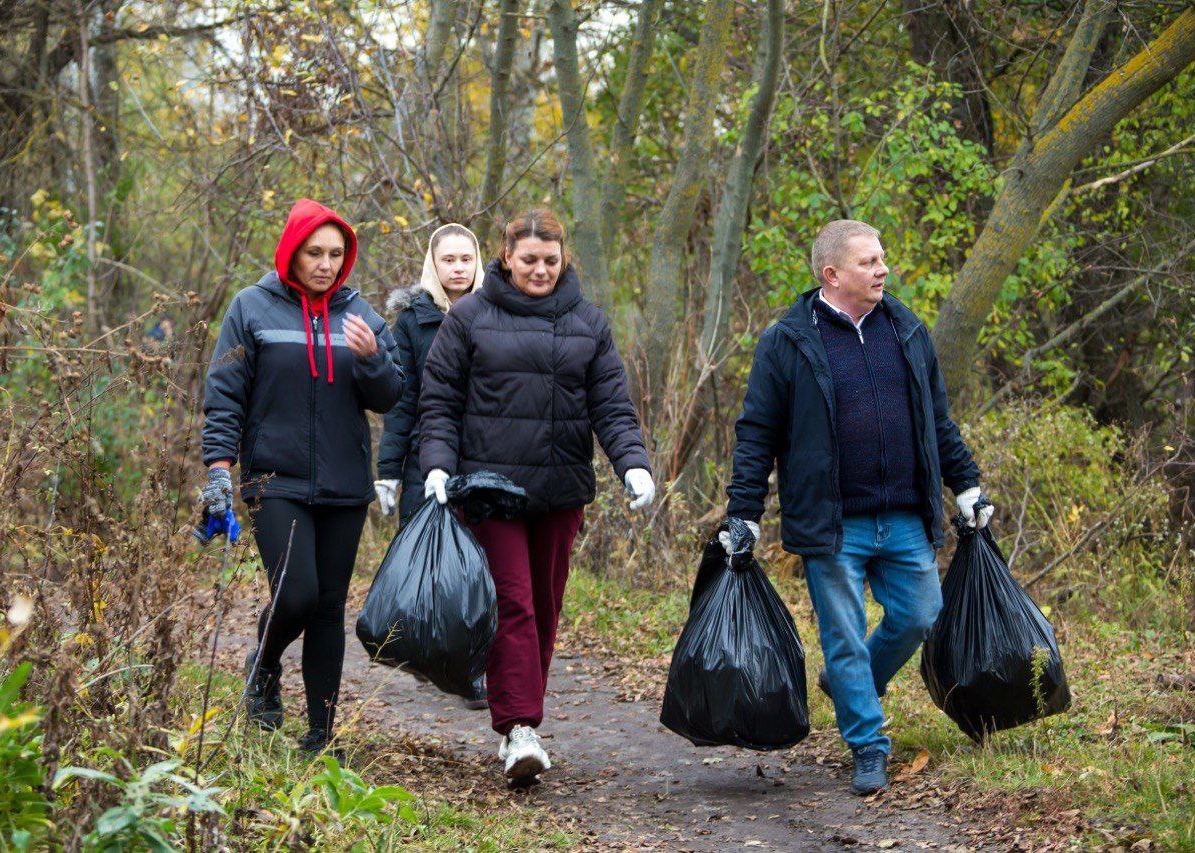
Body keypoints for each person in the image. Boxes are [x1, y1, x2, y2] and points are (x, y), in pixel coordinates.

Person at [723, 219, 994, 796]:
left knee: (921, 613)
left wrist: (966, 485)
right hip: (832, 522)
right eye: (869, 262)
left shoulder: (907, 331)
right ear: (833, 274)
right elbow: (756, 434)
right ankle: (868, 745)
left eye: (882, 259)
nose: (883, 270)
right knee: (843, 636)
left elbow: (936, 422)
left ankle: (850, 686)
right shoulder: (787, 341)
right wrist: (743, 511)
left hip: (902, 514)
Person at [417, 208, 656, 784]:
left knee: (545, 608)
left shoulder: (588, 322)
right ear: (506, 258)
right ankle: (519, 728)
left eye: (551, 260)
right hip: (491, 491)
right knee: (514, 604)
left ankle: (521, 719)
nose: (541, 270)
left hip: (559, 491)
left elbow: (611, 405)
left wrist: (633, 463)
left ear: (563, 258)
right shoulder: (470, 318)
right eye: (529, 260)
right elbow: (440, 401)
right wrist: (437, 467)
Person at [200, 198, 404, 757]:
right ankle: (263, 666)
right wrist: (219, 466)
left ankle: (322, 733)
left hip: (343, 483)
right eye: (315, 252)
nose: (326, 264)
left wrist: (372, 361)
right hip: (274, 478)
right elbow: (224, 394)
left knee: (328, 607)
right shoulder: (250, 308)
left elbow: (390, 397)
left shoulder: (362, 316)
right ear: (292, 251)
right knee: (296, 594)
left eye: (336, 254)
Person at [375, 224, 483, 525]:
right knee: (422, 558)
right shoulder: (412, 320)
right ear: (433, 264)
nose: (459, 268)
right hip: (425, 453)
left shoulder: (498, 316)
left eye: (466, 259)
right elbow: (403, 398)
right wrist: (389, 470)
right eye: (448, 260)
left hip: (486, 454)